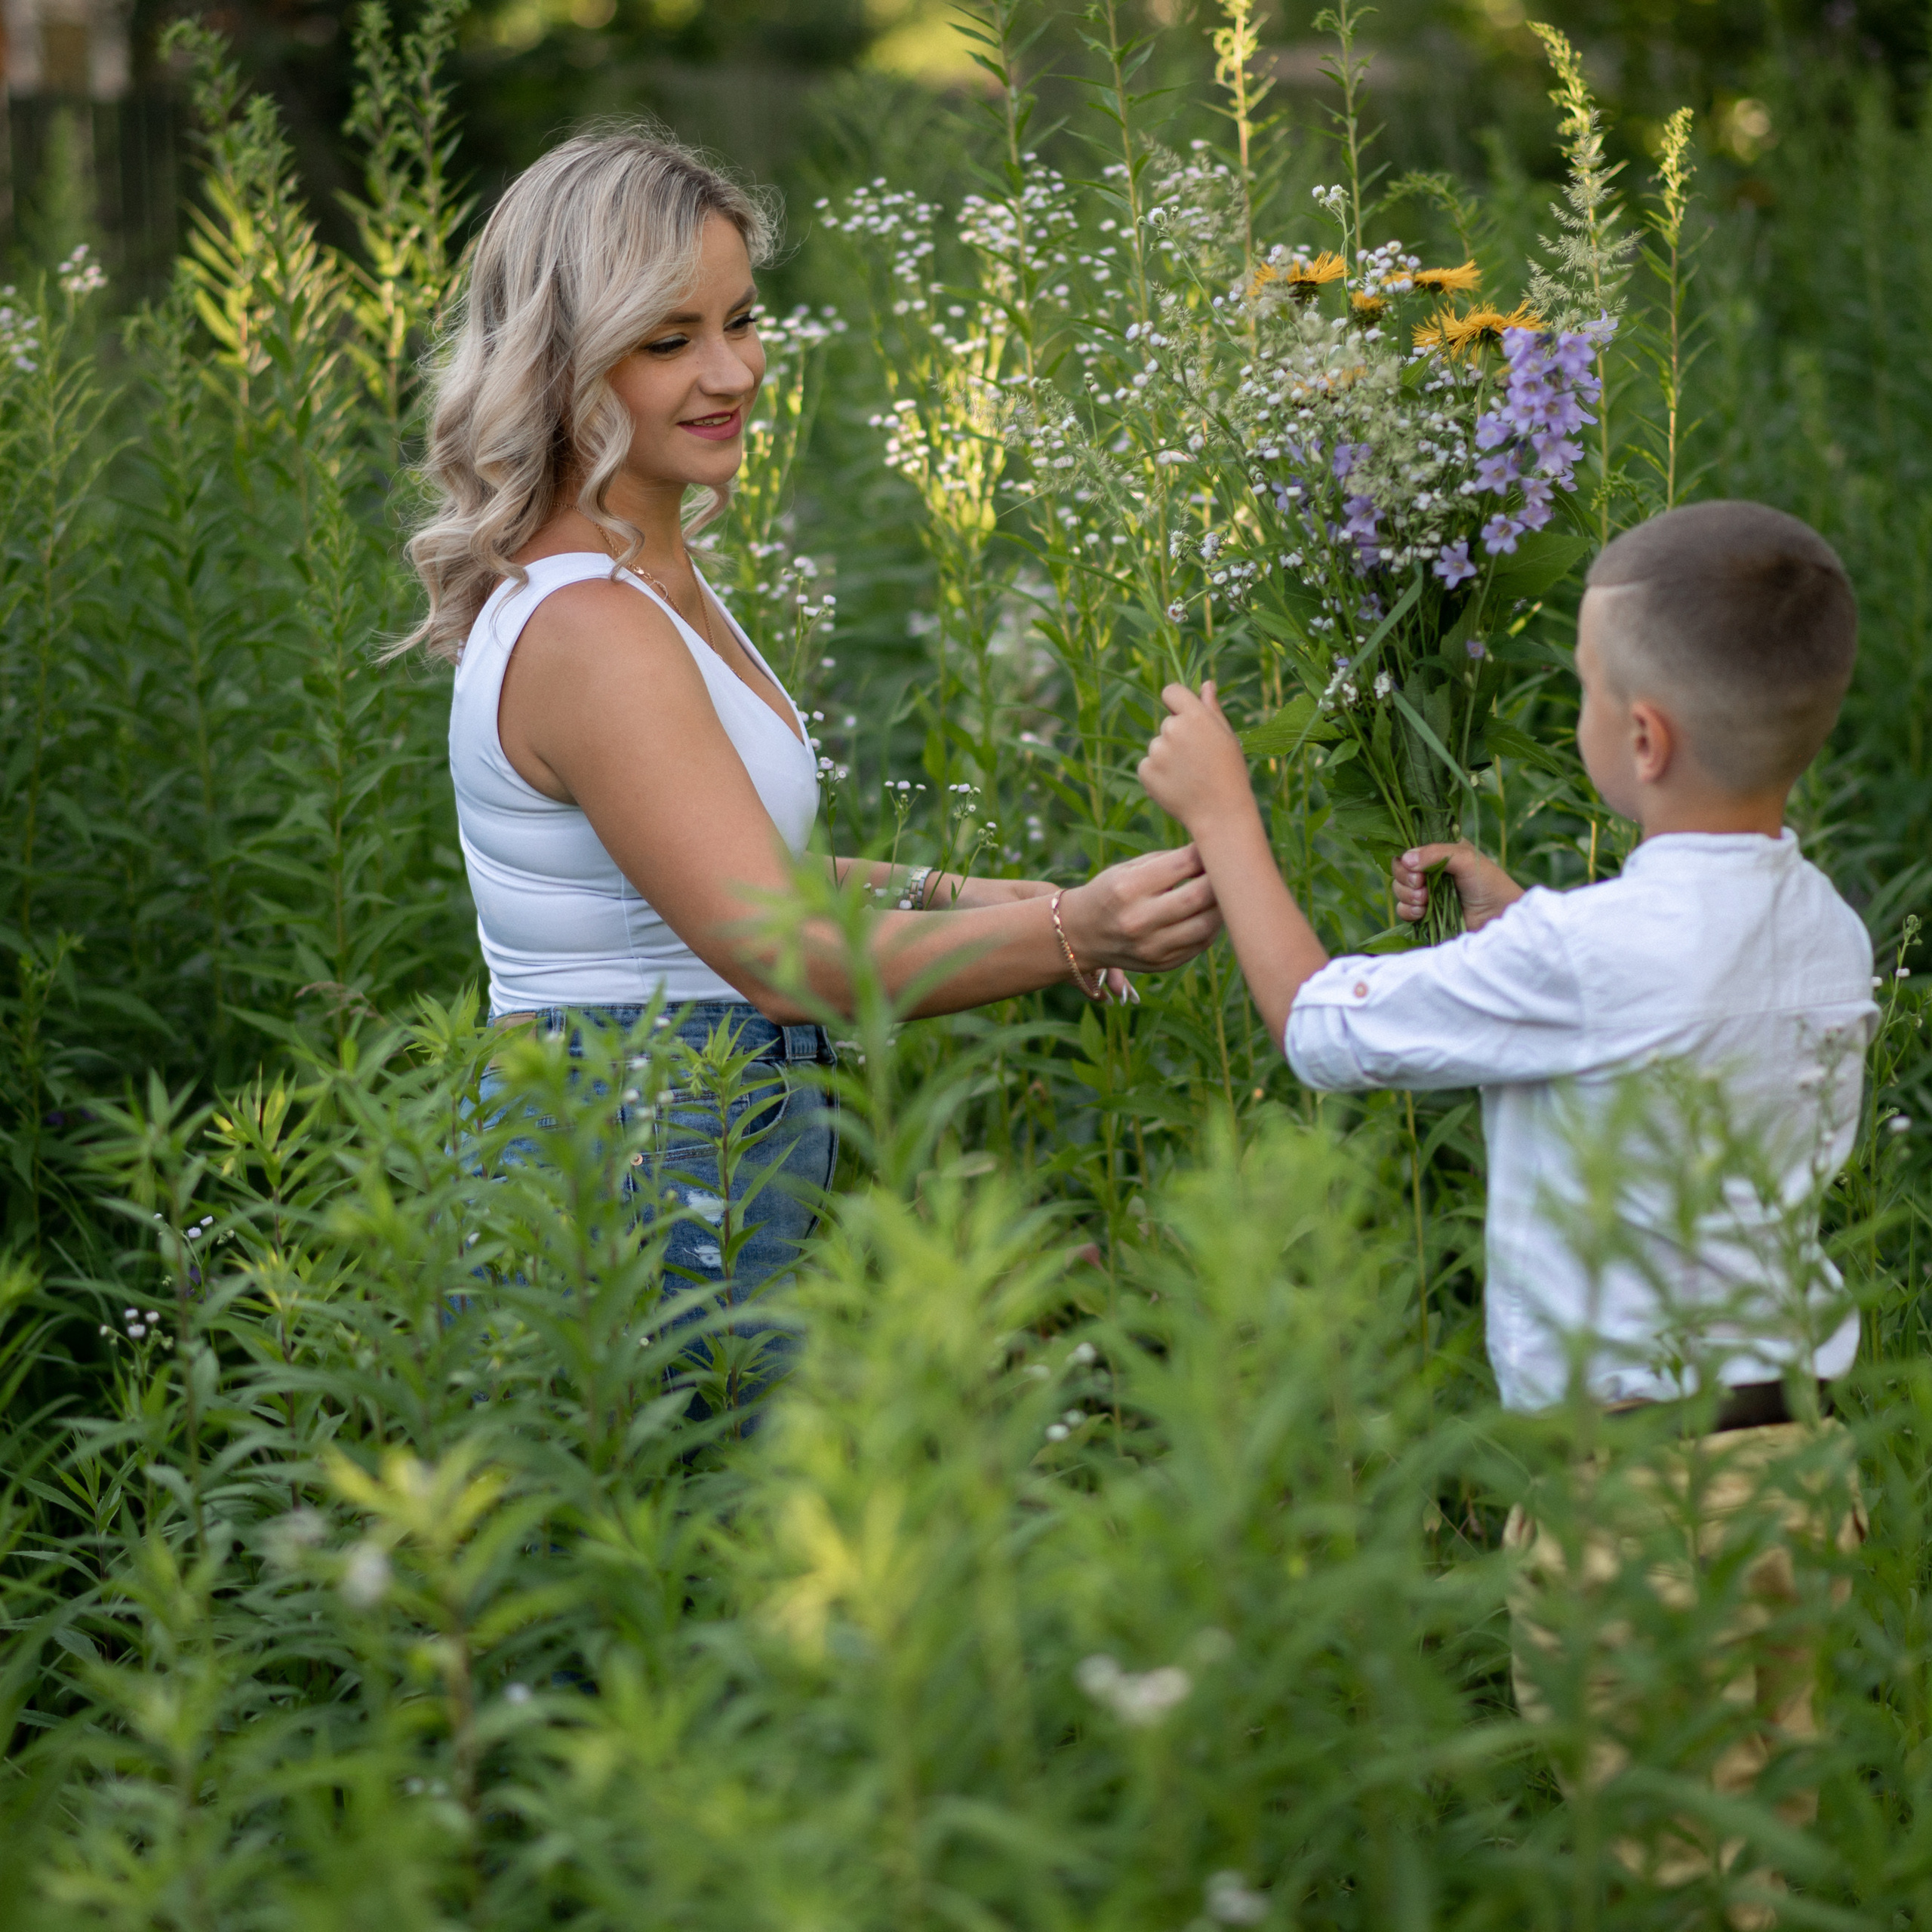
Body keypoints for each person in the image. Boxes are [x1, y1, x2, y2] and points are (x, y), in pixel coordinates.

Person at [1137, 500, 1874, 1921]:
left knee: (1660, 1873)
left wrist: (1226, 810)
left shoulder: (1582, 954)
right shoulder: (1828, 924)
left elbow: (1312, 1022)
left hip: (1636, 1500)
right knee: (1770, 1855)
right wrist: (1522, 922)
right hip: (1796, 1469)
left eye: (1590, 693)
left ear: (1641, 737)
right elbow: (1675, 1020)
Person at [397, 125, 1221, 1366]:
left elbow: (707, 878)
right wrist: (1076, 932)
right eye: (669, 341)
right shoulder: (590, 626)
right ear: (563, 364)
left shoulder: (649, 581)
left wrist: (961, 894)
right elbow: (781, 960)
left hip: (700, 1126)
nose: (731, 371)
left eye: (740, 319)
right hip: (637, 1151)